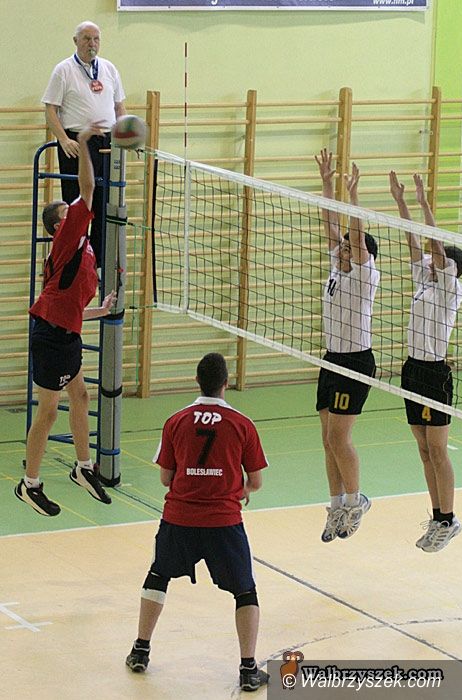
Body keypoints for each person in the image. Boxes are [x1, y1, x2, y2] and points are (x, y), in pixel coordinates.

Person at [126, 353, 269, 693]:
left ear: (196, 381)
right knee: (245, 591)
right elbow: (256, 481)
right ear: (226, 383)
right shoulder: (242, 424)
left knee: (158, 576)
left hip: (179, 519)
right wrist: (240, 489)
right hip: (224, 522)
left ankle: (140, 650)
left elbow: (166, 478)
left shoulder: (176, 421)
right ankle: (248, 669)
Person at [15, 124, 117, 517]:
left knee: (82, 396)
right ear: (60, 224)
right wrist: (86, 143)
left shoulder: (82, 246)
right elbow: (87, 189)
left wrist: (99, 311)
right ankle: (30, 484)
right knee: (48, 411)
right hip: (51, 337)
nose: (73, 209)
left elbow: (67, 305)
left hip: (66, 332)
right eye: (67, 209)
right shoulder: (68, 235)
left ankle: (83, 468)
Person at [389, 171, 462, 552]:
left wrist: (423, 203)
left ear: (451, 267)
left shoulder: (452, 288)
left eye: (440, 259)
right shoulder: (425, 279)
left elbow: (433, 243)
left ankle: (449, 519)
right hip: (412, 371)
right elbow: (413, 241)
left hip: (435, 373)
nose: (433, 261)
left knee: (437, 449)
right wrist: (402, 202)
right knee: (423, 449)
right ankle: (437, 516)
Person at [314, 149, 380, 542]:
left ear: (362, 255)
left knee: (339, 437)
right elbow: (331, 225)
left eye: (348, 248)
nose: (341, 249)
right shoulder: (337, 268)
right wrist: (326, 184)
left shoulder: (364, 275)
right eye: (341, 247)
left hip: (355, 362)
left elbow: (353, 233)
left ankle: (356, 501)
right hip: (332, 359)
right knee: (328, 440)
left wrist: (353, 197)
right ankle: (337, 505)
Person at [42, 21, 126, 267]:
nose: (92, 43)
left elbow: (119, 107)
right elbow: (50, 109)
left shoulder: (109, 68)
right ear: (76, 41)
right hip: (76, 144)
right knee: (77, 207)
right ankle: (73, 261)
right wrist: (63, 139)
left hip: (106, 144)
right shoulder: (64, 70)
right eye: (87, 38)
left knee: (104, 206)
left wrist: (124, 138)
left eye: (96, 39)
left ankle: (96, 265)